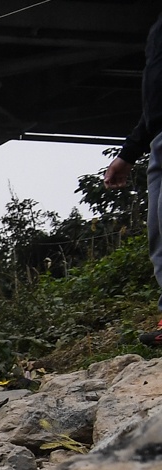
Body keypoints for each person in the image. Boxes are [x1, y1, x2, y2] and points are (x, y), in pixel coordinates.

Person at [104, 12, 162, 347]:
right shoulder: (158, 28)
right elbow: (155, 100)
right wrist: (128, 153)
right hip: (157, 140)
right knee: (159, 235)